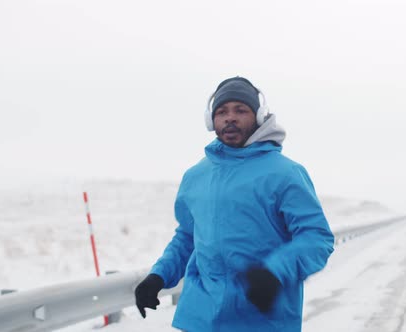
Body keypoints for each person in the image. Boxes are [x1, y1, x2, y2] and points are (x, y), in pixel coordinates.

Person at [134, 76, 335, 332]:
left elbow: (316, 238)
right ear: (211, 120)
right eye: (222, 112)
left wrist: (274, 272)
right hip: (200, 319)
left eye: (240, 110)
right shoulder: (195, 177)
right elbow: (187, 237)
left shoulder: (285, 173)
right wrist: (158, 276)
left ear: (259, 117)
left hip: (263, 319)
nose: (230, 118)